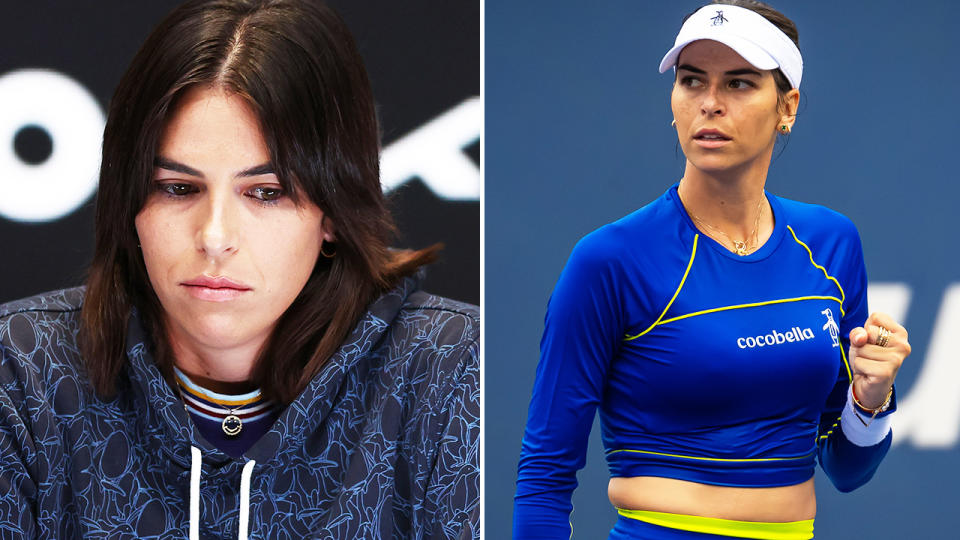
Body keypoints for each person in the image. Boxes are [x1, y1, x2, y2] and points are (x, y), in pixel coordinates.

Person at [0, 1, 479, 538]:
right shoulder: (21, 371)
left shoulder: (452, 371)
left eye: (266, 193)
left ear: (333, 215)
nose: (215, 237)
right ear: (128, 203)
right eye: (178, 188)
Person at [512, 1, 910, 539]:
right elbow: (544, 475)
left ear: (786, 106)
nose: (710, 104)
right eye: (692, 81)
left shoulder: (831, 242)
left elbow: (846, 469)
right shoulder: (609, 259)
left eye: (740, 84)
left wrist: (871, 400)